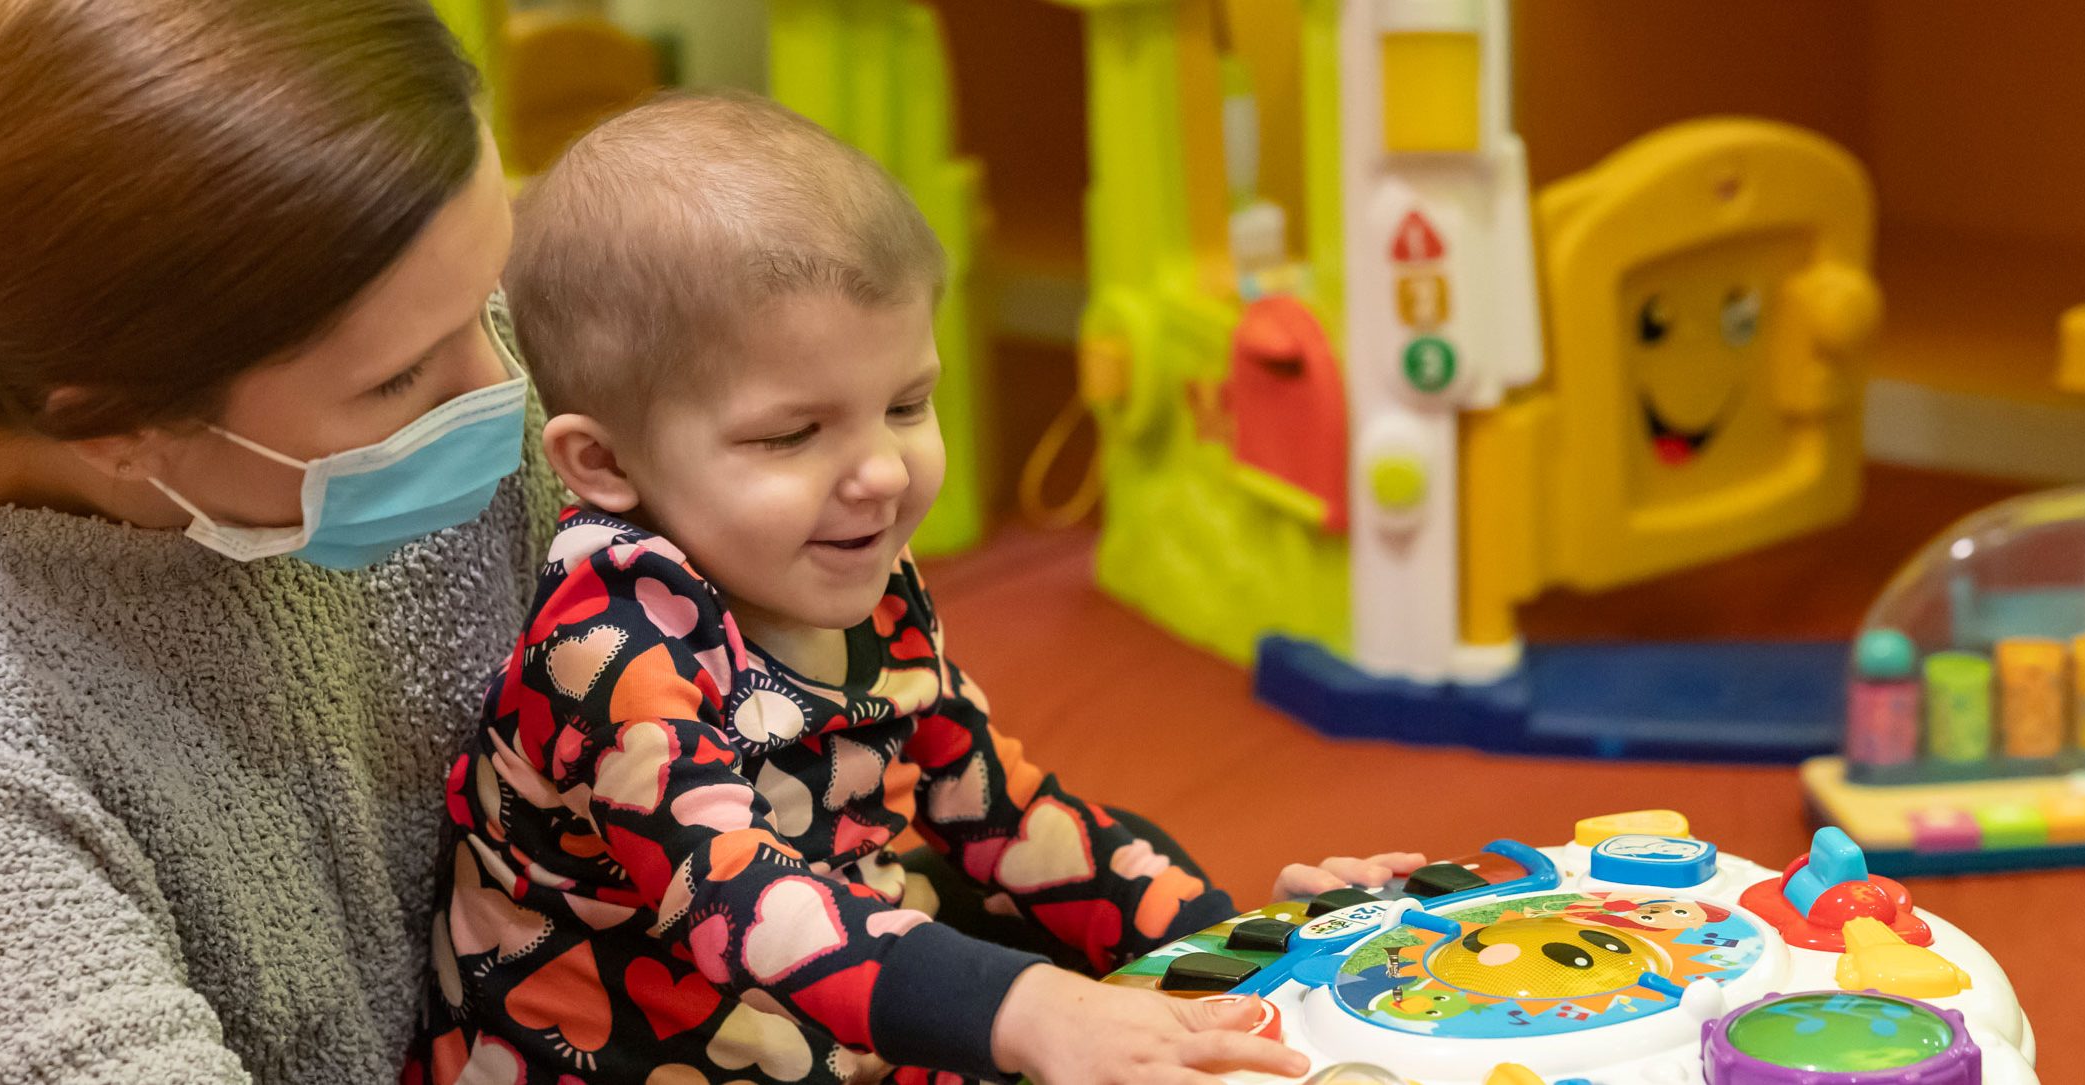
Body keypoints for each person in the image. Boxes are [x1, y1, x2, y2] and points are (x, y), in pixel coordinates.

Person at [413, 91, 1420, 1085]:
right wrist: (1031, 1012)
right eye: (790, 433)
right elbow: (738, 901)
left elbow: (1006, 815)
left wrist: (1242, 956)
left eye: (905, 403)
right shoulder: (604, 646)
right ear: (603, 463)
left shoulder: (873, 583)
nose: (883, 472)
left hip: (823, 1017)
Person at [0, 2, 555, 1081]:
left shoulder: (423, 371)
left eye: (484, 298)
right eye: (399, 380)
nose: (504, 392)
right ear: (115, 427)